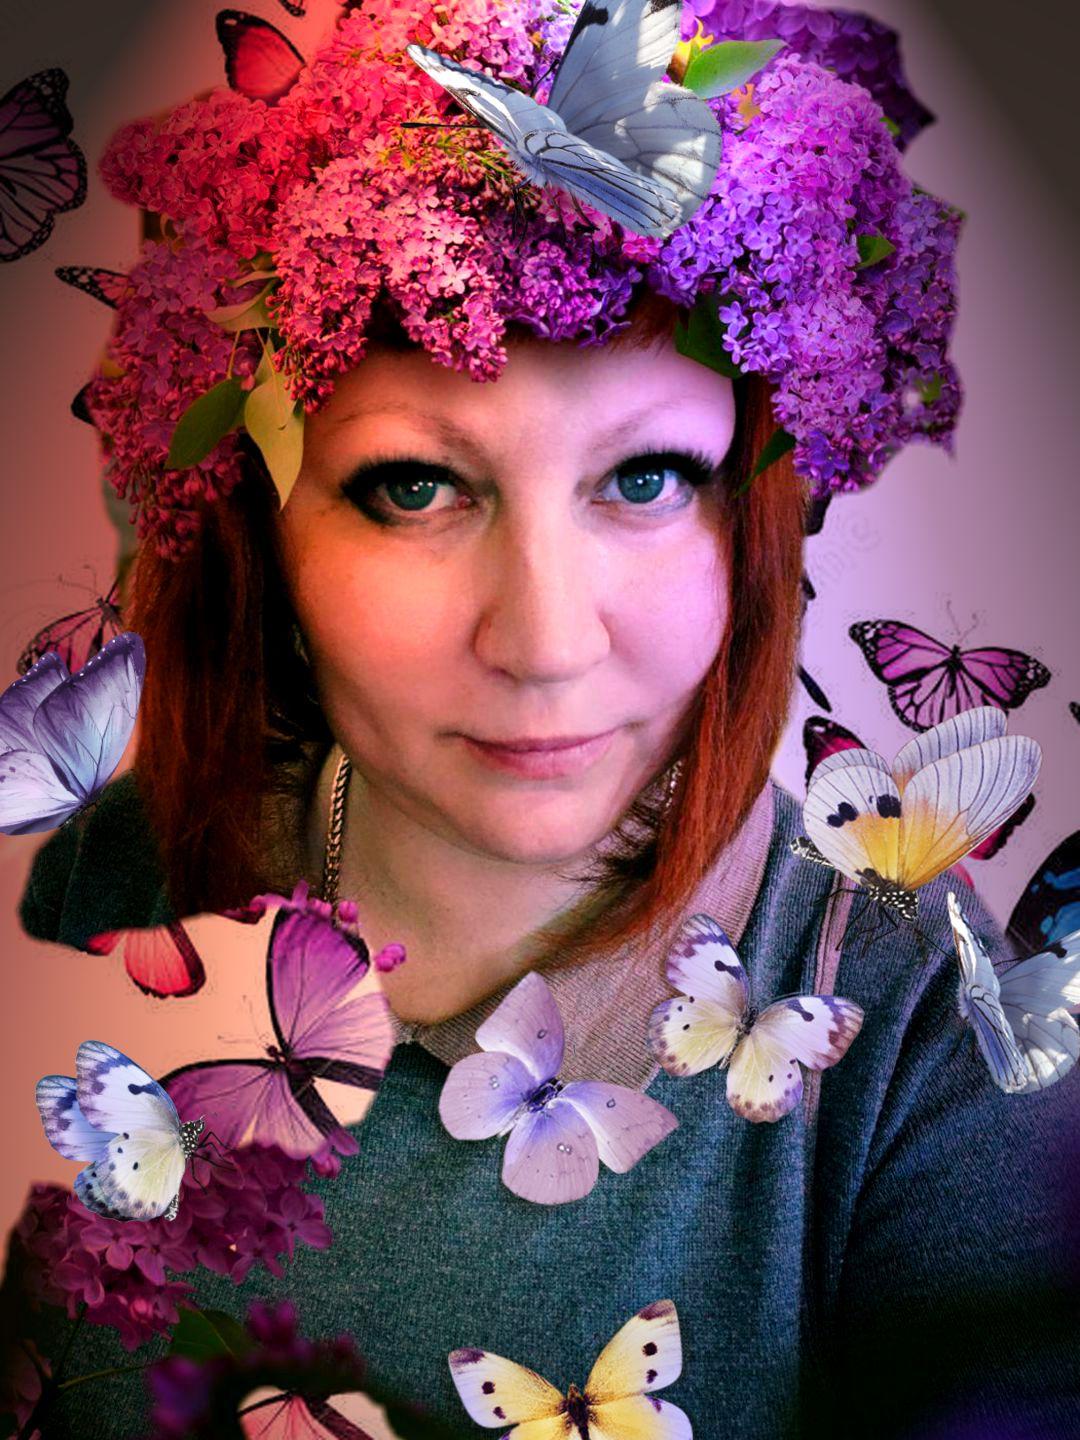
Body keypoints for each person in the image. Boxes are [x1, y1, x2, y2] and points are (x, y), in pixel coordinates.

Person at [4, 2, 1078, 1437]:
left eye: (645, 480)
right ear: (271, 542)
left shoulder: (924, 1025)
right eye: (415, 487)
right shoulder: (102, 879)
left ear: (749, 524)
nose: (548, 643)